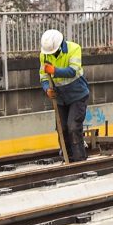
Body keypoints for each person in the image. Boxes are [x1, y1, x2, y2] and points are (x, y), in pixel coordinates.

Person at [39, 29, 90, 162]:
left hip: (77, 95)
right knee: (61, 128)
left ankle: (79, 159)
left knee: (73, 126)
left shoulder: (74, 49)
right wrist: (46, 89)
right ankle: (67, 158)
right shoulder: (44, 55)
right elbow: (43, 76)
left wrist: (54, 70)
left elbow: (72, 71)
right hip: (61, 98)